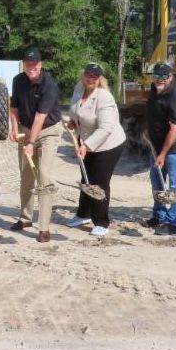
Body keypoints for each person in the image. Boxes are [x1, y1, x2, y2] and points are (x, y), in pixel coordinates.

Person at [8, 48, 62, 243]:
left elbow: (40, 117)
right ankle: (25, 218)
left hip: (48, 131)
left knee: (44, 176)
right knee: (26, 175)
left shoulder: (49, 85)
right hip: (25, 129)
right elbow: (14, 107)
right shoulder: (18, 80)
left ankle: (44, 228)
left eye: (34, 64)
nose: (31, 67)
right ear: (24, 64)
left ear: (41, 64)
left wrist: (31, 143)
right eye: (27, 63)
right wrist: (15, 129)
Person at [65, 63, 126, 237]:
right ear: (83, 75)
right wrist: (74, 122)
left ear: (99, 79)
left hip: (108, 144)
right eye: (88, 75)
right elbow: (77, 111)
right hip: (86, 141)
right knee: (86, 179)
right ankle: (83, 214)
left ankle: (101, 221)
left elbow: (106, 128)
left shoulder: (104, 97)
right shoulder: (79, 88)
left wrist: (86, 146)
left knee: (99, 181)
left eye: (95, 76)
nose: (90, 79)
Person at [145, 62, 176, 235]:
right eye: (157, 76)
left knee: (175, 185)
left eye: (164, 77)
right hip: (157, 146)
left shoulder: (175, 95)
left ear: (170, 77)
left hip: (175, 147)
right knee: (156, 180)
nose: (160, 80)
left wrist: (163, 154)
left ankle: (173, 224)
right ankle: (159, 216)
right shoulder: (154, 90)